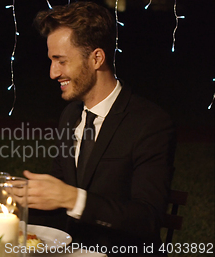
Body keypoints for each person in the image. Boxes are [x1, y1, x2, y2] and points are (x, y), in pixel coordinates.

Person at [24, 2, 176, 255]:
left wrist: (73, 199)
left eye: (61, 61)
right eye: (52, 61)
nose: (53, 73)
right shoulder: (70, 115)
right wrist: (8, 198)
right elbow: (59, 192)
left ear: (96, 58)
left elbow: (148, 217)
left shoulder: (150, 123)